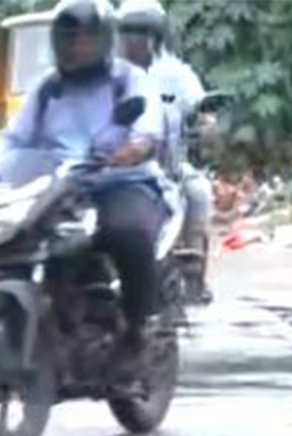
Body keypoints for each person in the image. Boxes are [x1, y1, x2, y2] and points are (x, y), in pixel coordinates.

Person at [0, 0, 167, 370]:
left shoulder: (129, 79)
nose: (77, 48)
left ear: (105, 40)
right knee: (16, 239)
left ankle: (136, 331)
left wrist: (134, 148)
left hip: (120, 182)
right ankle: (47, 320)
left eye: (87, 40)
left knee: (128, 232)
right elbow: (16, 137)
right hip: (60, 186)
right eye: (69, 39)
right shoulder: (47, 88)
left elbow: (148, 127)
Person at [117, 0, 213, 300]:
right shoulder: (108, 73)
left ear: (156, 35)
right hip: (114, 168)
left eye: (142, 31)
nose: (135, 39)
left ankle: (193, 270)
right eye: (128, 31)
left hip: (167, 168)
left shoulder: (176, 74)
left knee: (198, 192)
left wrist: (206, 125)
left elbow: (203, 109)